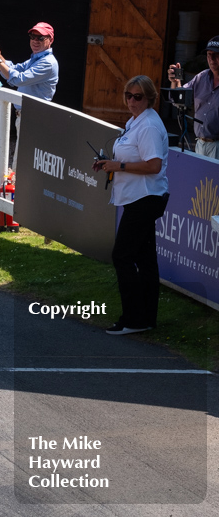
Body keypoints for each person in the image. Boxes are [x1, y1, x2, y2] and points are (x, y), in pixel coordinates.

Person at [92, 75, 169, 335]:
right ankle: (144, 319)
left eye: (138, 97)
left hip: (145, 199)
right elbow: (131, 156)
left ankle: (134, 318)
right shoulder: (135, 121)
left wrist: (119, 166)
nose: (132, 101)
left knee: (122, 256)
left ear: (149, 98)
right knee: (145, 259)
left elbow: (154, 165)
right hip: (139, 198)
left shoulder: (148, 125)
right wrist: (109, 163)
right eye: (129, 96)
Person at [0, 22, 59, 169]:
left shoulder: (47, 63)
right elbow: (14, 69)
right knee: (23, 162)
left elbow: (18, 79)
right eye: (32, 36)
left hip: (34, 118)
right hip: (27, 117)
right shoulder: (36, 58)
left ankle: (17, 190)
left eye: (40, 38)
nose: (35, 41)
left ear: (50, 40)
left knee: (23, 164)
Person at [168, 38, 219, 159]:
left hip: (217, 144)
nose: (211, 59)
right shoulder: (201, 77)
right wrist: (175, 82)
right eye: (209, 55)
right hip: (200, 143)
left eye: (216, 55)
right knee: (200, 178)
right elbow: (179, 99)